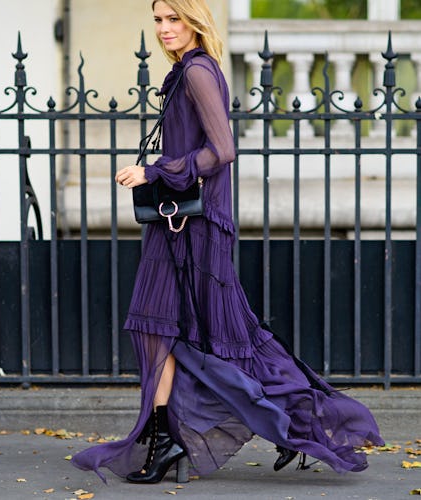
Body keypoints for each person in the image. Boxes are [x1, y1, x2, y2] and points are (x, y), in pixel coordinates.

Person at [72, 0, 384, 485]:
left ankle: (301, 424)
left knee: (212, 337)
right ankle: (174, 437)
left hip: (194, 228)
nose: (164, 28)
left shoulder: (198, 71)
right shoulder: (187, 72)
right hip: (177, 223)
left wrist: (153, 171)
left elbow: (223, 151)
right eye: (158, 19)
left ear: (195, 21)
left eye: (174, 18)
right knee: (169, 332)